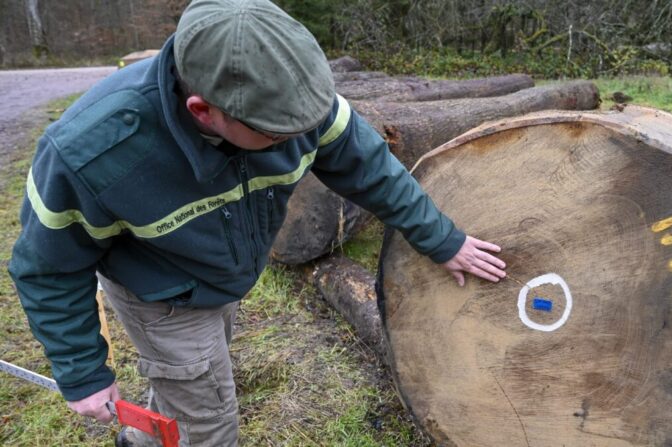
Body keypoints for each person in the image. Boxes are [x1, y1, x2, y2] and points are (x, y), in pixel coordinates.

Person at [8, 1, 506, 445]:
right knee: (210, 422)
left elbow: (371, 169)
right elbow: (48, 267)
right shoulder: (91, 154)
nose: (304, 138)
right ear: (203, 111)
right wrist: (82, 373)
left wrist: (441, 240)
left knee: (192, 380)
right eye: (280, 133)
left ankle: (144, 438)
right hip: (161, 292)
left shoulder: (297, 100)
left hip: (223, 272)